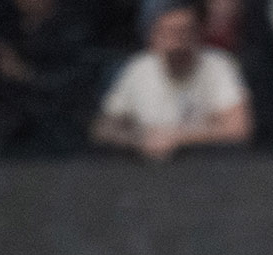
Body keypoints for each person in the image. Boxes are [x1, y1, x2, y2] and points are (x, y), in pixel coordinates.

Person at [92, 1, 254, 161]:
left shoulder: (219, 64)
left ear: (198, 34)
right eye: (169, 32)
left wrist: (177, 137)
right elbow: (103, 128)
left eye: (184, 32)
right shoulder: (138, 68)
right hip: (144, 168)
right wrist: (141, 139)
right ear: (153, 36)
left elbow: (239, 128)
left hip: (206, 165)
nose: (178, 41)